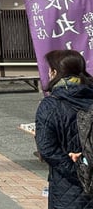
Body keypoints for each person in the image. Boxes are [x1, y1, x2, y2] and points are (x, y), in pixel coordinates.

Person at [35, 49, 93, 208]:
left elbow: (47, 149)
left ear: (55, 72)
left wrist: (79, 170)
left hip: (66, 186)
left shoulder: (50, 105)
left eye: (50, 69)